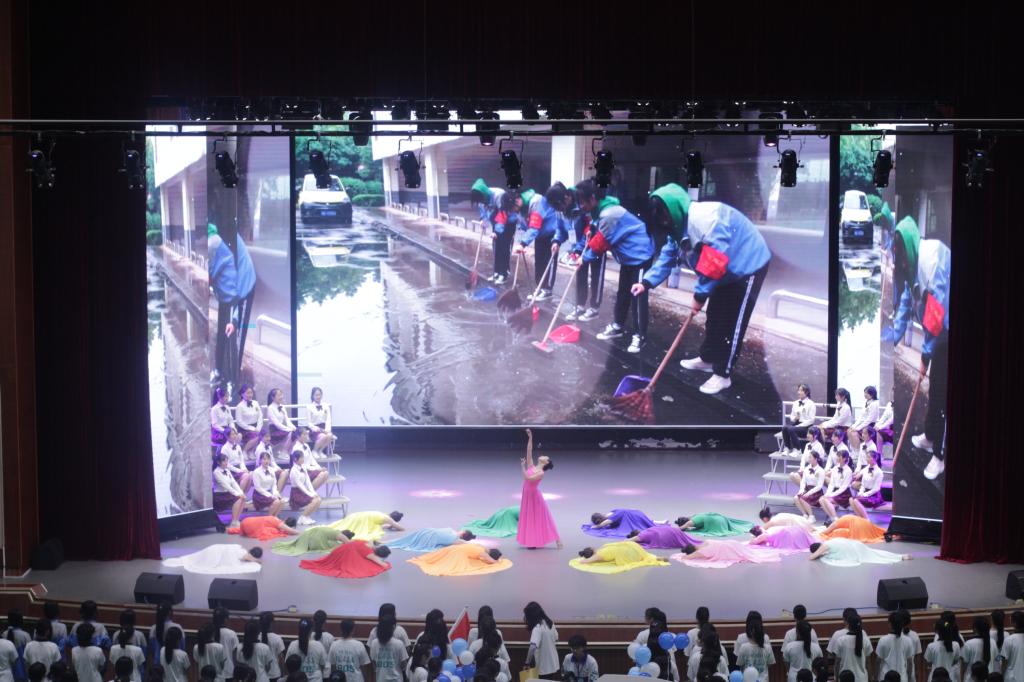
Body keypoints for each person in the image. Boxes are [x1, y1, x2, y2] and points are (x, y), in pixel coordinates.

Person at [644, 182, 771, 395]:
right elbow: (668, 254)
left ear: (674, 209)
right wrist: (646, 282)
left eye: (664, 216)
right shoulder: (677, 226)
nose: (663, 221)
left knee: (733, 322)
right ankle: (708, 359)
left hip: (748, 263)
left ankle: (723, 374)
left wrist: (699, 295)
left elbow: (714, 260)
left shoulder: (706, 219)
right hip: (725, 269)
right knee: (715, 315)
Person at [890, 216, 950, 479]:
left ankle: (940, 455)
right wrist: (890, 341)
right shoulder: (912, 265)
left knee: (944, 392)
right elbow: (906, 302)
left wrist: (925, 354)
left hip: (950, 329)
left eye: (903, 258)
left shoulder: (933, 259)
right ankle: (931, 435)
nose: (902, 264)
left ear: (910, 248)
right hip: (939, 332)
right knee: (935, 387)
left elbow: (937, 315)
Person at [576, 179, 655, 353]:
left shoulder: (609, 214)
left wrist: (584, 258)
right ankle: (618, 326)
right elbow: (596, 235)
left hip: (640, 255)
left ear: (593, 198)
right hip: (628, 257)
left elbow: (600, 244)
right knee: (623, 292)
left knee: (638, 295)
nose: (581, 205)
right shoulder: (600, 212)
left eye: (582, 201)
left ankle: (640, 336)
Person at [208, 222, 256, 390]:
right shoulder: (215, 238)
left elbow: (234, 287)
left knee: (234, 335)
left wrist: (235, 319)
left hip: (242, 288)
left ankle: (233, 381)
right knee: (222, 331)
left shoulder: (213, 243)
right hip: (227, 290)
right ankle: (219, 371)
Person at [516, 183, 570, 301]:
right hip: (540, 236)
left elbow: (535, 227)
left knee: (549, 262)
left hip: (552, 237)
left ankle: (547, 289)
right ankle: (540, 287)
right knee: (539, 262)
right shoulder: (540, 204)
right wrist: (523, 242)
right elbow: (532, 226)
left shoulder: (548, 205)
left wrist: (523, 243)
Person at [517, 429, 561, 549]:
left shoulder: (541, 473)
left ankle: (556, 540)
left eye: (546, 457)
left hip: (534, 496)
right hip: (527, 494)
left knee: (538, 517)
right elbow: (529, 450)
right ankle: (531, 540)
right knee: (529, 517)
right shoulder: (532, 465)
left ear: (546, 462)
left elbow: (528, 478)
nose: (544, 455)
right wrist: (530, 437)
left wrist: (522, 466)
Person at [565, 194, 604, 323]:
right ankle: (580, 305)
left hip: (597, 244)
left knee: (596, 276)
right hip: (582, 244)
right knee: (580, 274)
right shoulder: (567, 210)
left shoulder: (591, 209)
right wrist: (577, 250)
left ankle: (594, 308)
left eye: (583, 203)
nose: (582, 205)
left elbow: (589, 229)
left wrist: (581, 247)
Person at [299, 540, 391, 579]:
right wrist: (385, 564)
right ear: (379, 555)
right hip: (344, 554)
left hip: (340, 549)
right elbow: (383, 564)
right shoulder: (370, 554)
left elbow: (371, 540)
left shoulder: (369, 543)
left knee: (328, 562)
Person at [408, 543, 511, 576]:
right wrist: (499, 561)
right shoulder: (483, 553)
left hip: (454, 548)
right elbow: (492, 561)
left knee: (437, 558)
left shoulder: (481, 546)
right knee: (449, 565)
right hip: (458, 553)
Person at [491, 189, 525, 285]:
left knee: (505, 250)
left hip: (509, 228)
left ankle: (504, 273)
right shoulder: (505, 206)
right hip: (502, 229)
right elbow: (500, 220)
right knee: (498, 249)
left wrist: (523, 242)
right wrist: (496, 232)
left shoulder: (518, 209)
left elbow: (522, 224)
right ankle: (497, 272)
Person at [569, 542, 668, 574]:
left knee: (641, 559)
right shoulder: (603, 548)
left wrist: (581, 560)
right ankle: (657, 558)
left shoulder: (599, 554)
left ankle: (656, 559)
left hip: (627, 553)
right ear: (592, 549)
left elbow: (585, 562)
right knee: (645, 555)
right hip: (632, 546)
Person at [162, 544, 263, 574]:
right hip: (215, 554)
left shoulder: (239, 547)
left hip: (214, 548)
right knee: (204, 562)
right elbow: (246, 557)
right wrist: (256, 560)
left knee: (197, 557)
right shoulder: (243, 553)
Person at [828, 614, 872, 682]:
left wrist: (836, 678)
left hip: (844, 679)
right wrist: (870, 679)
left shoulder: (841, 641)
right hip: (862, 679)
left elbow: (837, 662)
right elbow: (868, 663)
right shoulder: (866, 640)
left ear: (848, 625)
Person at [673, 541, 780, 569]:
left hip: (731, 550)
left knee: (750, 556)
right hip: (732, 543)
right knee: (751, 553)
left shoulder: (701, 552)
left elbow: (687, 557)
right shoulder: (706, 542)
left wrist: (680, 556)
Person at [523, 603, 559, 681]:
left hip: (543, 667)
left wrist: (527, 663)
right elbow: (556, 638)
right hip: (553, 664)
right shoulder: (550, 623)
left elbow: (532, 647)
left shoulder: (537, 628)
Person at [249, 451, 290, 518]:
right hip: (260, 495)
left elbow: (274, 484)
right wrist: (270, 495)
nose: (266, 461)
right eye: (264, 459)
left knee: (282, 501)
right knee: (276, 502)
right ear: (260, 460)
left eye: (268, 459)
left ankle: (275, 517)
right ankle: (269, 518)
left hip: (270, 492)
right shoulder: (256, 472)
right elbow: (258, 488)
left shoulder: (271, 470)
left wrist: (275, 493)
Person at [289, 447, 324, 525]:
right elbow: (300, 485)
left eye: (303, 457)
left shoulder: (303, 467)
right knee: (315, 500)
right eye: (301, 458)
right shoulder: (293, 471)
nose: (303, 459)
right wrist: (310, 494)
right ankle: (303, 517)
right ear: (295, 459)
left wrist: (313, 492)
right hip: (296, 494)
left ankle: (307, 516)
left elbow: (308, 482)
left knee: (318, 499)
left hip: (303, 492)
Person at [877, 611, 916, 682]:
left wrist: (875, 676)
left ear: (890, 624)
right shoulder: (908, 640)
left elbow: (878, 661)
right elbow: (910, 663)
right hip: (902, 678)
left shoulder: (883, 640)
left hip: (885, 678)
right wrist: (909, 678)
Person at [808, 539, 911, 566]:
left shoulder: (824, 546)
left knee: (874, 557)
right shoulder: (828, 542)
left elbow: (812, 557)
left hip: (856, 550)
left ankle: (900, 557)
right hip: (856, 545)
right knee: (875, 553)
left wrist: (816, 554)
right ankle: (900, 556)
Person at [212, 452, 247, 528]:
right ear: (218, 462)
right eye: (224, 461)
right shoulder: (216, 472)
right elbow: (226, 486)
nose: (226, 463)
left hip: (227, 493)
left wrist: (241, 492)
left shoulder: (227, 470)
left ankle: (236, 519)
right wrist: (237, 494)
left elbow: (233, 482)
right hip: (219, 495)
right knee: (238, 499)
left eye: (226, 461)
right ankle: (234, 521)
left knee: (243, 498)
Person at [780, 385, 817, 455]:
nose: (799, 392)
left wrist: (799, 425)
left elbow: (811, 420)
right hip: (796, 424)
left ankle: (797, 449)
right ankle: (787, 448)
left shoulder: (811, 404)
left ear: (806, 392)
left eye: (801, 390)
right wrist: (795, 418)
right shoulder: (796, 403)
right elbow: (792, 416)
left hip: (806, 427)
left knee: (791, 429)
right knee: (784, 428)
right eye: (798, 390)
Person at [107, 614, 145, 682]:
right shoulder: (138, 650)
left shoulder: (113, 648)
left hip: (118, 679)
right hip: (135, 679)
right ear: (132, 636)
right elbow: (141, 668)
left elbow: (111, 667)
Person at [736, 617, 776, 682]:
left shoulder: (743, 647)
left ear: (751, 631)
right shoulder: (767, 648)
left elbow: (740, 665)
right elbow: (770, 664)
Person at [819, 449, 854, 523]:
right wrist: (827, 494)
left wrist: (831, 495)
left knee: (827, 500)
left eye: (839, 456)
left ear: (844, 458)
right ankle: (832, 518)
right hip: (835, 491)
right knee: (821, 499)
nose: (837, 458)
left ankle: (835, 519)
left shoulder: (849, 471)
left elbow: (844, 487)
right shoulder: (835, 468)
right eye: (837, 456)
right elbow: (831, 484)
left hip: (844, 494)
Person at [369, 618, 408, 682]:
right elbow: (404, 664)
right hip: (396, 679)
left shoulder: (374, 643)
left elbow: (374, 663)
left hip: (380, 679)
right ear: (392, 628)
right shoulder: (399, 643)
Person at [850, 450, 886, 519]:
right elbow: (863, 484)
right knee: (851, 499)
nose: (867, 459)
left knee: (856, 500)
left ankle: (866, 519)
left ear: (875, 458)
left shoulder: (879, 472)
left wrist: (865, 494)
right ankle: (860, 518)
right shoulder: (866, 468)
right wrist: (861, 492)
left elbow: (876, 488)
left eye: (869, 457)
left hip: (874, 496)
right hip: (864, 492)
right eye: (867, 457)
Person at [273, 527, 354, 556]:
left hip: (306, 535)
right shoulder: (338, 534)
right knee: (337, 546)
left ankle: (306, 544)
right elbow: (348, 543)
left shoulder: (333, 531)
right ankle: (310, 544)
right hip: (313, 538)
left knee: (334, 544)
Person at [329, 511, 405, 541]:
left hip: (356, 516)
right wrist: (393, 524)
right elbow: (402, 528)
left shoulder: (382, 514)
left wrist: (389, 526)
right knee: (355, 530)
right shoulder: (388, 519)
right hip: (360, 520)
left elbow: (375, 524)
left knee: (342, 526)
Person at [582, 509, 664, 537]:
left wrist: (595, 527)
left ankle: (660, 523)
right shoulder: (609, 513)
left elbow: (602, 524)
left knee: (642, 523)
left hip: (632, 515)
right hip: (635, 512)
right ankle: (660, 522)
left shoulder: (610, 518)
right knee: (645, 520)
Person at [793, 453, 826, 523]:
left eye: (810, 457)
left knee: (803, 498)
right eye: (809, 457)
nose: (809, 459)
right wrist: (801, 490)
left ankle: (812, 516)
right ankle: (805, 514)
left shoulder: (821, 470)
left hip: (816, 491)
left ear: (815, 459)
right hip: (807, 489)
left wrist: (809, 493)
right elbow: (803, 481)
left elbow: (819, 486)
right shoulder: (807, 468)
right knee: (796, 498)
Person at [387, 528, 477, 553]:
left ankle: (387, 542)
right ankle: (387, 543)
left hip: (428, 532)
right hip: (429, 535)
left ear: (463, 533)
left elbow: (465, 543)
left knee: (406, 540)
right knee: (407, 542)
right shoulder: (455, 540)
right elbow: (465, 543)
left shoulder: (452, 532)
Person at [234, 384, 264, 454]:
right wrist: (251, 428)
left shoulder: (255, 403)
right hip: (244, 429)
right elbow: (239, 421)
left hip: (256, 427)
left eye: (251, 392)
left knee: (262, 434)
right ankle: (244, 451)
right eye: (248, 393)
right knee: (256, 436)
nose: (250, 395)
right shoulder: (239, 406)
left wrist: (258, 427)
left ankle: (251, 451)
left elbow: (260, 416)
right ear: (242, 394)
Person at [307, 388, 337, 456]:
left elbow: (328, 419)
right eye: (316, 395)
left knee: (329, 435)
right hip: (315, 429)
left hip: (324, 428)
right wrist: (315, 428)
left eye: (319, 395)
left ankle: (320, 451)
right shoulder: (309, 407)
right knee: (323, 436)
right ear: (312, 396)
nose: (318, 397)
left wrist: (327, 430)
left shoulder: (326, 406)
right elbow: (309, 423)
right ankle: (314, 450)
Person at [266, 388, 296, 455]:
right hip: (274, 430)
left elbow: (287, 419)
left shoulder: (282, 406)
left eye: (281, 394)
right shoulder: (270, 408)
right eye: (279, 395)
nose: (281, 397)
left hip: (281, 428)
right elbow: (276, 423)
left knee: (296, 433)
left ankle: (288, 452)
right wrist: (288, 429)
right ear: (273, 397)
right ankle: (283, 452)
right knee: (291, 433)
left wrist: (293, 427)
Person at [818, 515, 887, 543]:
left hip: (859, 526)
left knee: (837, 532)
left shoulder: (836, 523)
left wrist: (820, 533)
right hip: (866, 523)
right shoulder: (844, 518)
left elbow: (826, 532)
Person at [675, 513, 753, 537]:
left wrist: (672, 530)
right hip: (721, 519)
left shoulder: (691, 521)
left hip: (718, 523)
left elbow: (682, 528)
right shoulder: (694, 516)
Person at [748, 525, 816, 552]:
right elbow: (752, 542)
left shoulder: (764, 535)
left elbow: (752, 542)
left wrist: (756, 537)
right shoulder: (768, 531)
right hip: (793, 529)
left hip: (789, 533)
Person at [627, 525, 701, 549]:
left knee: (687, 543)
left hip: (670, 534)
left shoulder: (642, 535)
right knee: (689, 541)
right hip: (673, 530)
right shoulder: (647, 530)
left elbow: (629, 540)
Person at [1001, 611, 1024, 682]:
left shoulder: (1009, 640)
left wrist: (1001, 675)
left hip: (1011, 678)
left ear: (1013, 623)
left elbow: (1004, 661)